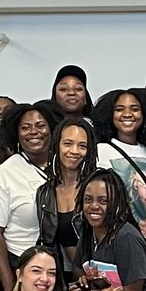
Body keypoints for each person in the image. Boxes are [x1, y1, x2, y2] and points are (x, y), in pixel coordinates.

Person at [0, 101, 56, 291]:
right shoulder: (6, 172)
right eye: (25, 127)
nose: (33, 132)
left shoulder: (66, 166)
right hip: (22, 266)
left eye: (40, 126)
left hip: (62, 267)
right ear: (16, 133)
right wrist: (8, 283)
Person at [94, 87, 146, 241]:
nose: (127, 114)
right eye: (119, 109)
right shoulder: (99, 151)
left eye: (135, 109)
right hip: (117, 241)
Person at [36, 118, 98, 278]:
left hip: (101, 278)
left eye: (82, 146)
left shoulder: (99, 186)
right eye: (68, 143)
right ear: (57, 145)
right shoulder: (44, 193)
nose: (74, 151)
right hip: (62, 279)